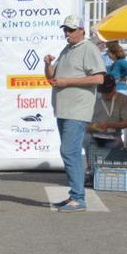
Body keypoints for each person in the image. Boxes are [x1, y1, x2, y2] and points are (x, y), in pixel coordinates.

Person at [44, 14, 106, 212]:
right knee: (69, 152)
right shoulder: (67, 49)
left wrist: (67, 82)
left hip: (77, 110)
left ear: (82, 30)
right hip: (64, 109)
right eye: (65, 29)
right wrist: (47, 65)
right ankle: (75, 196)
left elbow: (99, 79)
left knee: (69, 151)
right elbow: (52, 78)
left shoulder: (88, 48)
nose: (67, 33)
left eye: (71, 30)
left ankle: (78, 198)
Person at [83, 74, 127, 183]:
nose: (106, 95)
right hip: (96, 134)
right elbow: (86, 124)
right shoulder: (94, 100)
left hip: (114, 135)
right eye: (103, 92)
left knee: (113, 144)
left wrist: (110, 125)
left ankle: (103, 171)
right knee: (86, 139)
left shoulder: (123, 99)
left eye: (108, 92)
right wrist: (92, 127)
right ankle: (91, 170)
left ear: (115, 87)